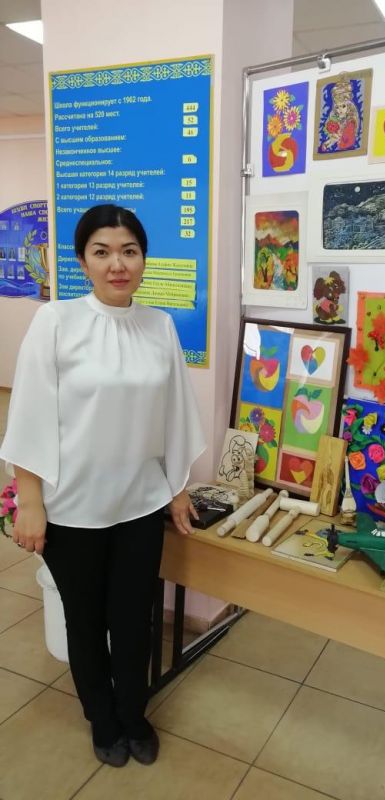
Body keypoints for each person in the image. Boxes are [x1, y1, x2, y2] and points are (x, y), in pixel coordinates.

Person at [0, 204, 205, 768]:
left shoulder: (159, 325)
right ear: (82, 261)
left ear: (143, 259)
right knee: (85, 621)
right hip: (72, 508)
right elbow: (30, 415)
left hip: (139, 504)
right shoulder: (55, 321)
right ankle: (103, 720)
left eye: (129, 251)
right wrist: (30, 501)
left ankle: (134, 715)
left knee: (135, 619)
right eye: (103, 252)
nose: (118, 264)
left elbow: (172, 415)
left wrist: (176, 488)